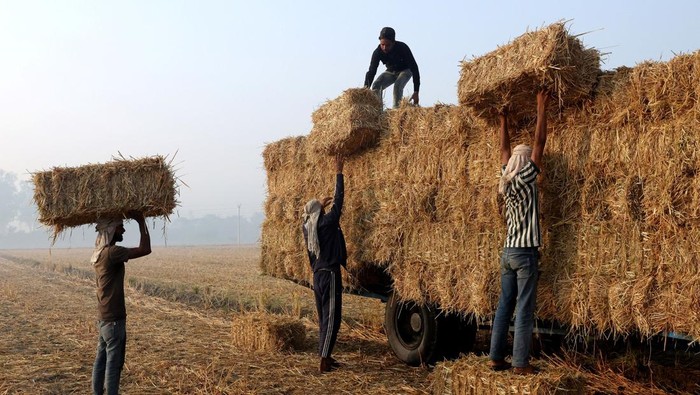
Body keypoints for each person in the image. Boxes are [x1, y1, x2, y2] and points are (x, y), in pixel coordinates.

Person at [488, 90, 550, 375]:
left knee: (504, 307)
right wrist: (540, 107)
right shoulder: (526, 179)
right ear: (525, 164)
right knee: (524, 309)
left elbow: (504, 151)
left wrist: (503, 120)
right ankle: (520, 364)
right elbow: (539, 143)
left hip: (507, 253)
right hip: (524, 255)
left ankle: (495, 358)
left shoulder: (506, 179)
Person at [91, 212, 151, 394]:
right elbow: (145, 249)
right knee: (113, 365)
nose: (123, 229)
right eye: (119, 226)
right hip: (114, 320)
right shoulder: (112, 253)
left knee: (101, 361)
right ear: (110, 230)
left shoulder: (99, 254)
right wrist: (141, 222)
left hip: (103, 318)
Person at [302, 153, 347, 373]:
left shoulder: (308, 229)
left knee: (324, 318)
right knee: (332, 317)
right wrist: (339, 172)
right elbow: (339, 202)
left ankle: (327, 357)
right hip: (329, 274)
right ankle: (323, 359)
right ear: (320, 212)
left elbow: (307, 217)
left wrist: (318, 204)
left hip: (317, 275)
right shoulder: (327, 223)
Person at [364, 27, 420, 109]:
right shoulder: (377, 52)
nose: (385, 48)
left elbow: (414, 69)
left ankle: (396, 112)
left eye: (388, 45)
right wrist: (365, 90)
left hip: (405, 70)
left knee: (397, 86)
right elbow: (371, 71)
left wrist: (416, 91)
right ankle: (378, 112)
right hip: (390, 72)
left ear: (393, 42)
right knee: (376, 85)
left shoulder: (403, 48)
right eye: (382, 45)